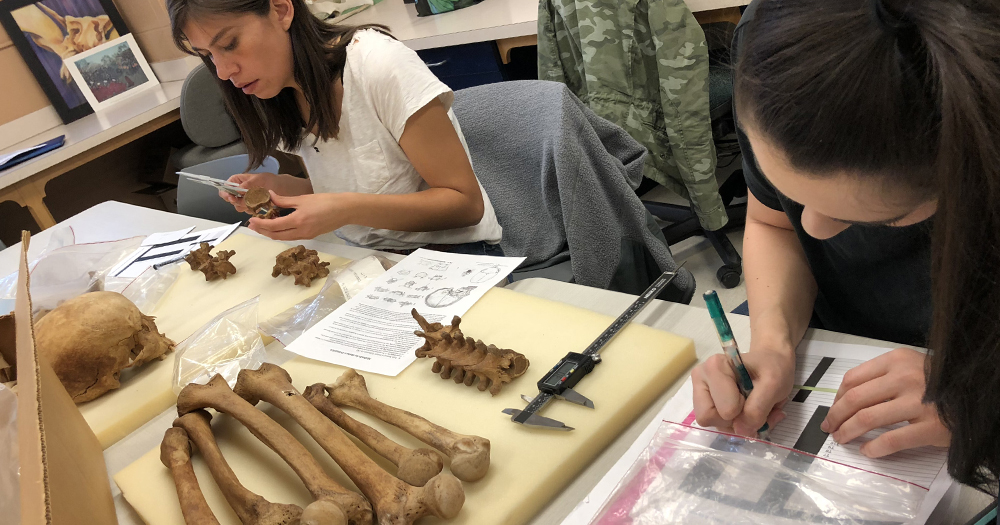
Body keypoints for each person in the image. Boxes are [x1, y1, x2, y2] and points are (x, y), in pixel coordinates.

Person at [690, 0, 1000, 496]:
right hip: (832, 331)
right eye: (793, 191)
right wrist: (774, 343)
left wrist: (980, 398)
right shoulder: (776, 46)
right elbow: (777, 227)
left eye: (884, 218)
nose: (813, 227)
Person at [166, 0, 503, 255]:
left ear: (281, 10)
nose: (223, 71)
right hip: (368, 258)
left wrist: (343, 210)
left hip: (457, 257)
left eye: (229, 44)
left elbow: (465, 204)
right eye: (207, 54)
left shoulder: (378, 66)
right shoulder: (278, 91)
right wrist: (282, 187)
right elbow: (349, 183)